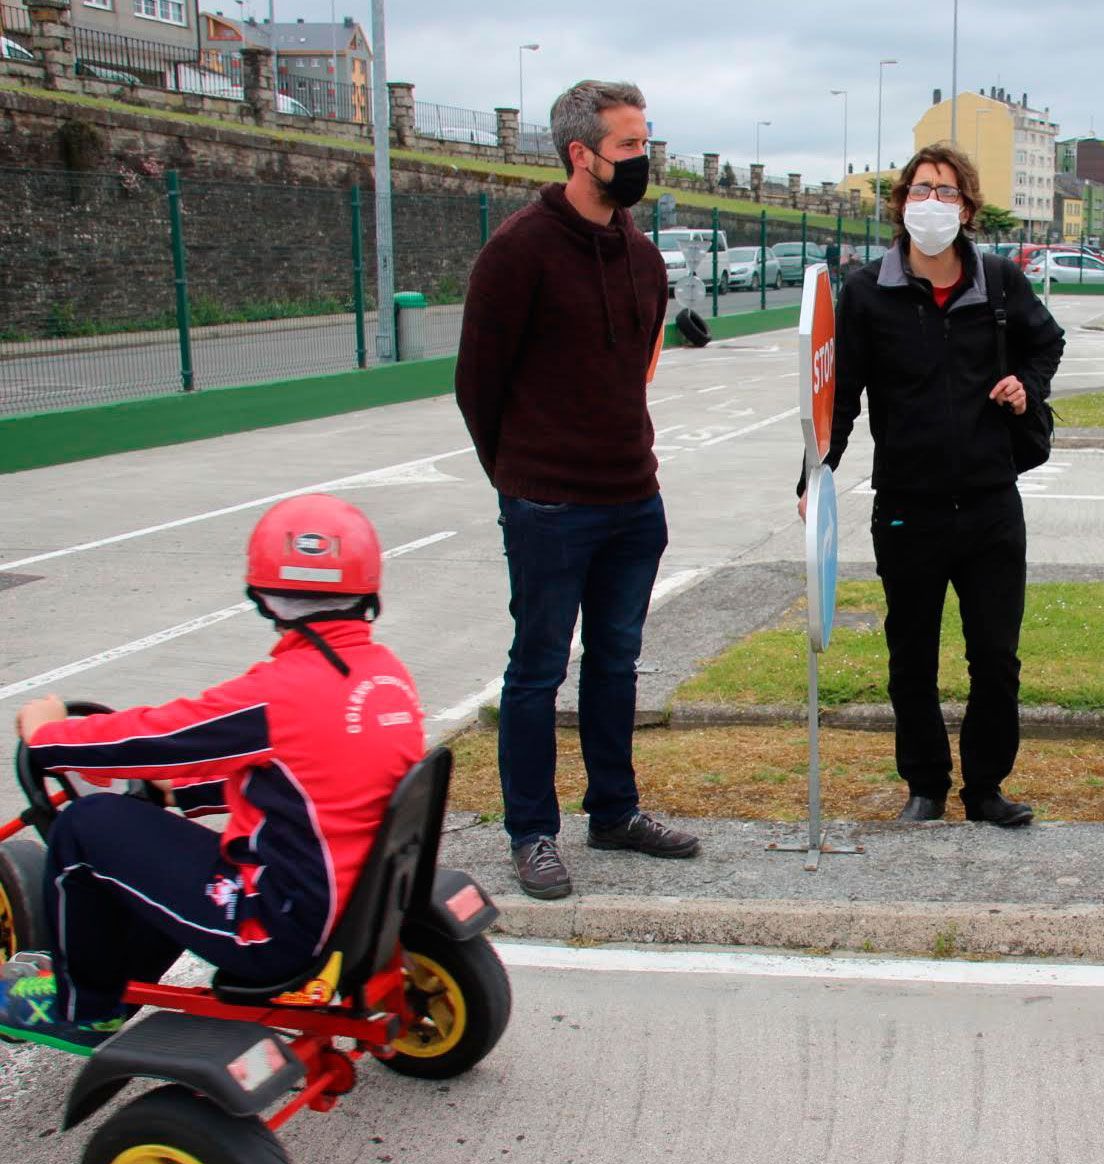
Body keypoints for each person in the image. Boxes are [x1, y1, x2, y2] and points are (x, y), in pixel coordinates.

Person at [1, 495, 423, 1051]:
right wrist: (181, 795)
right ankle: (126, 968)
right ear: (369, 586)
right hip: (355, 907)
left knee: (85, 825)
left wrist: (47, 734)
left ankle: (84, 1007)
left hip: (276, 929)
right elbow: (311, 780)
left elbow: (156, 738)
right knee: (150, 839)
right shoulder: (386, 678)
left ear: (262, 594)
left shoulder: (278, 692)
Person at [455, 79, 697, 902]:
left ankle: (614, 811)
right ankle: (531, 833)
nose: (644, 159)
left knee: (618, 664)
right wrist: (519, 477)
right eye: (629, 146)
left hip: (633, 498)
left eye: (645, 142)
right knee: (536, 669)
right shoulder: (518, 251)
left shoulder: (643, 255)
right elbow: (476, 384)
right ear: (580, 154)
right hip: (548, 505)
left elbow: (635, 370)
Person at [801, 144, 1065, 826]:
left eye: (947, 192)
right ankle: (924, 785)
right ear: (900, 203)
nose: (933, 203)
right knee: (910, 654)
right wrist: (814, 474)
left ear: (968, 209)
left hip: (989, 506)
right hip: (907, 508)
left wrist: (1024, 387)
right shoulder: (865, 291)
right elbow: (842, 395)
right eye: (921, 190)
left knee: (996, 658)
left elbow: (1047, 343)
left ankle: (985, 789)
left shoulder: (1001, 282)